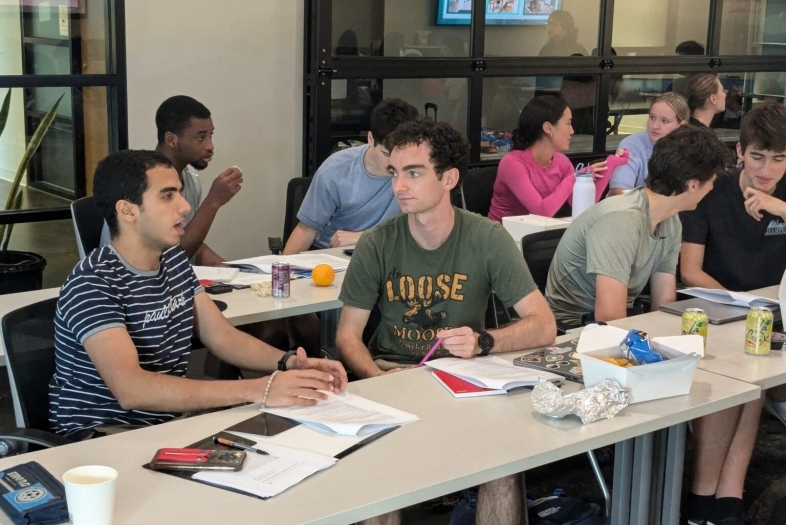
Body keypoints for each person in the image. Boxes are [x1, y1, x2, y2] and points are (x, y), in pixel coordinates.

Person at [335, 118, 556, 525]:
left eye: (414, 173)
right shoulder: (377, 243)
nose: (399, 186)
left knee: (503, 465)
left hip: (461, 381)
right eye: (395, 173)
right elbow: (348, 336)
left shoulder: (487, 238)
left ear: (449, 178)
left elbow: (543, 325)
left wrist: (483, 342)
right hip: (393, 378)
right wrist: (375, 376)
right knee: (377, 475)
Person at [49, 150, 348, 439]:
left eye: (179, 193)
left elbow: (222, 337)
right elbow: (132, 390)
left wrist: (289, 362)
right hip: (103, 436)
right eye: (167, 196)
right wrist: (260, 389)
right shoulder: (93, 282)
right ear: (127, 210)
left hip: (167, 423)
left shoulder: (173, 260)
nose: (184, 206)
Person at [679, 104, 786, 525]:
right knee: (743, 380)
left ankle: (727, 494)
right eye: (758, 156)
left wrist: (779, 208)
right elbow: (690, 269)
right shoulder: (714, 191)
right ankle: (710, 496)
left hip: (771, 313)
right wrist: (740, 305)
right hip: (715, 308)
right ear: (740, 151)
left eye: (779, 159)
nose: (767, 169)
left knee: (755, 379)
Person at [545, 125, 729, 327]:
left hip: (620, 323)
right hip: (573, 331)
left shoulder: (669, 220)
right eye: (711, 181)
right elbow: (608, 319)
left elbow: (663, 307)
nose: (712, 188)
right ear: (693, 185)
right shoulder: (621, 221)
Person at [99, 95, 240, 267]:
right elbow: (168, 259)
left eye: (210, 135)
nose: (210, 146)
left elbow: (190, 241)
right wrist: (213, 202)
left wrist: (237, 272)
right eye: (201, 137)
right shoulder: (140, 186)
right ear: (171, 139)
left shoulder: (191, 181)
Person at [283, 98, 419, 253]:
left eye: (403, 155)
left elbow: (425, 226)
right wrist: (283, 273)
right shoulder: (335, 170)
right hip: (334, 254)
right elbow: (306, 230)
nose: (395, 164)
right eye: (386, 154)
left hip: (388, 250)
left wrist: (364, 237)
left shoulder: (418, 170)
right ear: (370, 139)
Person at [487, 96, 607, 222]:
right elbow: (542, 211)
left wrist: (609, 168)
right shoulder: (512, 163)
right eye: (568, 123)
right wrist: (575, 177)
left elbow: (581, 205)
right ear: (548, 128)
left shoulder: (562, 162)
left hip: (537, 234)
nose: (572, 131)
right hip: (503, 234)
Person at [608, 93, 690, 196]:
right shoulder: (631, 145)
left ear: (682, 126)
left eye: (664, 121)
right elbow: (618, 193)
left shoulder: (689, 149)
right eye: (652, 117)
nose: (655, 126)